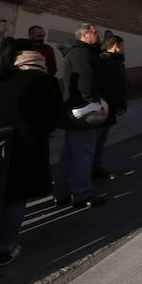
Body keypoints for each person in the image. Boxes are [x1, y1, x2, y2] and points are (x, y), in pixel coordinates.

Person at [0, 38, 63, 265]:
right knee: (14, 200)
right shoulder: (43, 81)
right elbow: (54, 118)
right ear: (32, 54)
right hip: (24, 150)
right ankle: (5, 247)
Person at [53, 23, 108, 208]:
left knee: (69, 155)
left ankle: (61, 193)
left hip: (75, 111)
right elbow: (85, 81)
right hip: (84, 111)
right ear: (85, 35)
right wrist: (94, 103)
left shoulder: (78, 52)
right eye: (95, 32)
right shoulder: (81, 53)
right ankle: (82, 194)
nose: (98, 35)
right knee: (83, 154)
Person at [95, 35, 126, 179]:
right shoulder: (104, 60)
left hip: (111, 105)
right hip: (103, 106)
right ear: (116, 45)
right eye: (122, 46)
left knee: (101, 140)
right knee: (97, 140)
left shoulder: (116, 61)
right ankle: (91, 169)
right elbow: (111, 86)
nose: (124, 49)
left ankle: (96, 167)